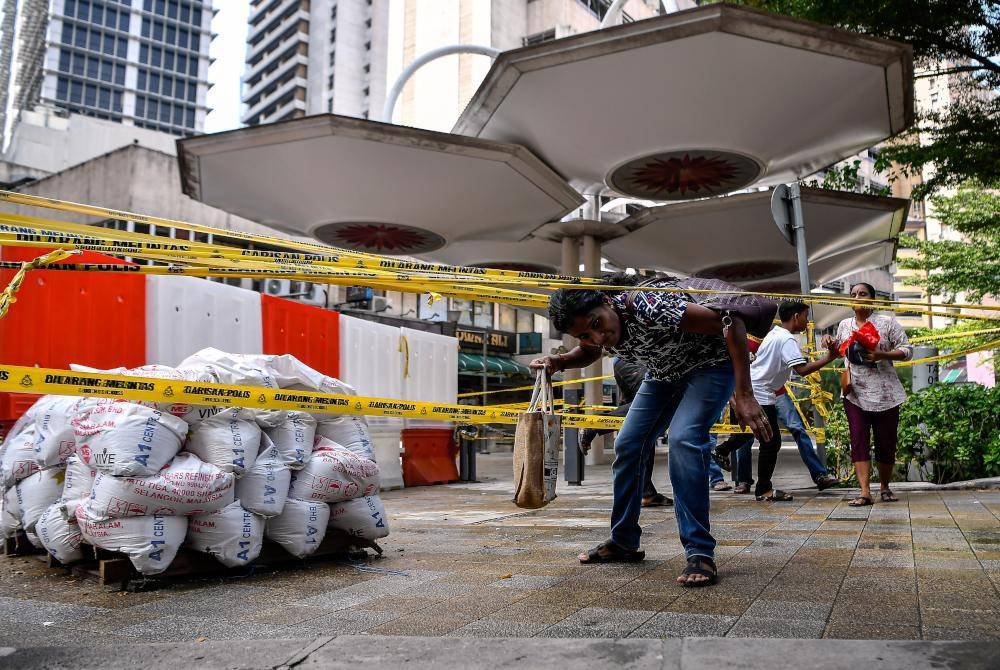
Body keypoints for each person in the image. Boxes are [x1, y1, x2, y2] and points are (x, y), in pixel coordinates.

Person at [531, 274, 771, 587]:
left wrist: (744, 394)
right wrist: (559, 361)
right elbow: (590, 350)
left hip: (710, 367)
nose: (599, 336)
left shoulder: (648, 304)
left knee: (684, 440)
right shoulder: (598, 331)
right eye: (585, 333)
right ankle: (624, 541)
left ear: (607, 301)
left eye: (596, 324)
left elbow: (730, 324)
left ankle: (699, 550)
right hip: (662, 375)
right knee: (628, 443)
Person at [716, 300, 839, 502]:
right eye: (805, 317)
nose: (807, 322)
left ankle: (723, 451)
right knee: (771, 442)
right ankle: (763, 488)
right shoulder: (786, 339)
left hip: (759, 389)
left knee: (764, 436)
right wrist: (829, 357)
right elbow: (802, 370)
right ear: (796, 317)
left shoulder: (775, 333)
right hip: (761, 392)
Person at [823, 282, 912, 507]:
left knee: (886, 442)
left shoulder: (887, 322)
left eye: (862, 294)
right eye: (853, 294)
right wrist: (829, 343)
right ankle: (864, 492)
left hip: (886, 395)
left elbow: (907, 350)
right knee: (859, 440)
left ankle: (885, 487)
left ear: (872, 299)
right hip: (855, 394)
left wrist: (883, 354)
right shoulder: (844, 325)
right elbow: (840, 352)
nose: (857, 297)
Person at [579, 358, 673, 507]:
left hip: (632, 362)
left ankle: (646, 493)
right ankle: (594, 425)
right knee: (656, 401)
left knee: (644, 429)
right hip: (636, 361)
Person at [715, 386, 838, 492]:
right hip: (753, 394)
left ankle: (819, 475)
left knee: (793, 430)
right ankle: (746, 480)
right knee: (751, 434)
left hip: (774, 392)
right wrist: (735, 401)